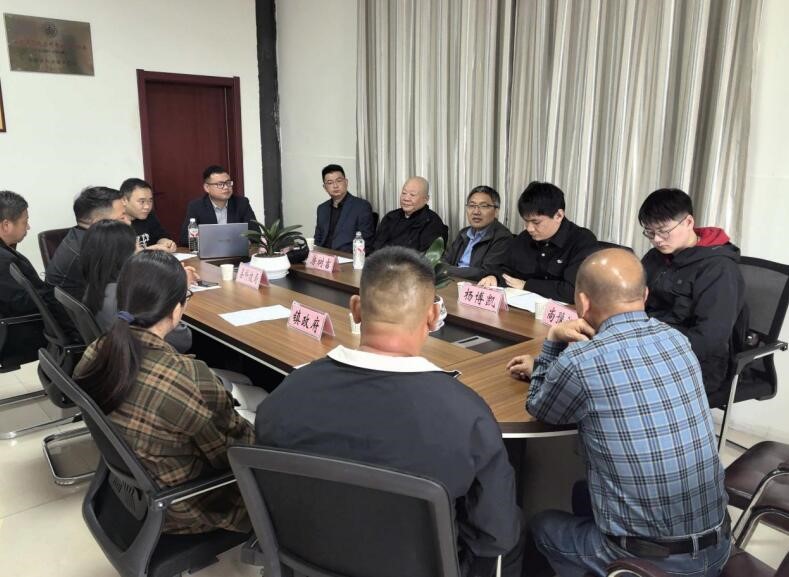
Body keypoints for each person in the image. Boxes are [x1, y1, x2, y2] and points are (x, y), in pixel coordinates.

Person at [256, 246, 523, 576]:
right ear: (432, 317)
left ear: (355, 309)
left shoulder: (285, 396)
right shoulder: (467, 415)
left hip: (306, 561)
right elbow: (496, 535)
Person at [508, 249, 730, 577]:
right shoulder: (677, 340)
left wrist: (553, 341)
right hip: (719, 544)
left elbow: (541, 407)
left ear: (582, 303)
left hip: (653, 562)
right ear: (645, 295)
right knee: (582, 492)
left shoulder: (581, 361)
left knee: (541, 524)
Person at [73, 250, 255, 535]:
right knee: (259, 405)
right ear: (176, 309)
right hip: (186, 506)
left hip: (139, 487)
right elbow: (236, 453)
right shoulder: (188, 378)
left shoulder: (96, 350)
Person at [639, 188, 745, 395]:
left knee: (617, 383)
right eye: (650, 232)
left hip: (696, 363)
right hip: (649, 342)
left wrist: (652, 354)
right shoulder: (655, 257)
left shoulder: (718, 268)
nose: (657, 239)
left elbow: (710, 338)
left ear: (688, 222)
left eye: (663, 231)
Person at [81, 220, 193, 352]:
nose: (142, 250)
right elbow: (182, 339)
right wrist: (181, 286)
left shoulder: (95, 287)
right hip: (151, 357)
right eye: (138, 246)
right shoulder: (129, 295)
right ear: (123, 255)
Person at [478, 181, 597, 303]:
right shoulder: (524, 238)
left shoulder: (582, 240)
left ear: (558, 215)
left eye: (536, 222)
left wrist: (527, 285)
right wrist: (494, 277)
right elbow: (506, 269)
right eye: (526, 221)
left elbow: (573, 291)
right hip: (521, 308)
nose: (529, 228)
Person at [0, 191, 58, 355]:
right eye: (24, 222)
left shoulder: (6, 250)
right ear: (6, 225)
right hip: (19, 330)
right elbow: (23, 302)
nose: (28, 227)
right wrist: (55, 294)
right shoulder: (3, 261)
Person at [45, 186, 128, 299]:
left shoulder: (81, 234)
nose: (128, 222)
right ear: (99, 223)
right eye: (122, 218)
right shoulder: (92, 251)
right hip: (77, 308)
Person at [442, 186, 512, 281]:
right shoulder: (464, 233)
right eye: (472, 206)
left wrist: (447, 270)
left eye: (483, 206)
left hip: (476, 285)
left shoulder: (502, 237)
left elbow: (486, 273)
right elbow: (445, 259)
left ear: (496, 211)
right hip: (453, 281)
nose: (476, 212)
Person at [179, 165, 258, 246]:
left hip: (236, 251)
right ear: (207, 187)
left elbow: (256, 234)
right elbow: (185, 239)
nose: (226, 187)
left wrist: (246, 242)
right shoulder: (196, 206)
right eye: (220, 184)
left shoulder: (242, 203)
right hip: (209, 252)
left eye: (228, 183)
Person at [371, 177, 447, 253]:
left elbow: (427, 257)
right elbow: (376, 247)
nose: (406, 198)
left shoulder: (432, 222)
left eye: (412, 195)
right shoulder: (390, 217)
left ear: (426, 199)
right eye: (404, 193)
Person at [314, 164, 375, 252]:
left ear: (346, 182)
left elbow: (366, 240)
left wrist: (338, 255)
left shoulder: (362, 206)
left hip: (347, 256)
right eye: (330, 183)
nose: (335, 186)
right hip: (323, 256)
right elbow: (318, 239)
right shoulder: (322, 209)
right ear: (325, 187)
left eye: (339, 181)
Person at [120, 178, 176, 251]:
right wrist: (152, 249)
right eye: (142, 201)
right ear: (124, 200)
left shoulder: (149, 215)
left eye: (150, 201)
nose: (147, 207)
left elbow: (160, 236)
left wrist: (166, 242)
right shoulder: (115, 222)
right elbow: (122, 254)